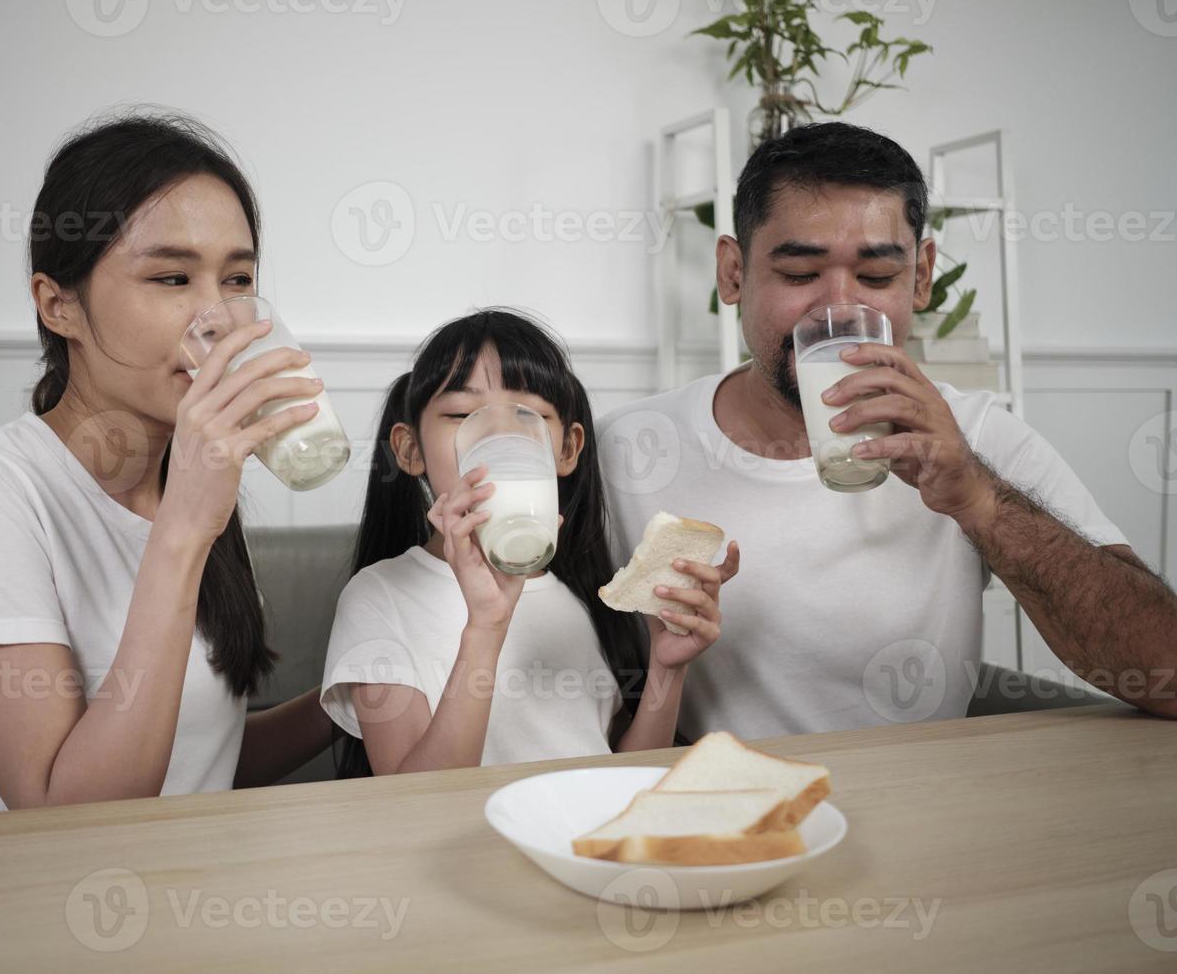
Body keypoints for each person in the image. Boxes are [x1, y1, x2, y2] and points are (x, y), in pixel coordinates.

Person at [599, 121, 1177, 742]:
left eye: (876, 278)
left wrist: (979, 500)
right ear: (733, 272)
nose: (838, 311)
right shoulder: (630, 449)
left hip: (921, 814)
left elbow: (1165, 671)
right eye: (799, 273)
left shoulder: (978, 436)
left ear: (922, 277)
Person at [0, 111, 333, 817]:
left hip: (177, 905)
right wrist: (186, 528)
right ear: (58, 304)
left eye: (238, 277)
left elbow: (193, 758)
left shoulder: (187, 485)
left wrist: (346, 701)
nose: (218, 318)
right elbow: (66, 814)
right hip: (15, 910)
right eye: (170, 278)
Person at [321, 310, 740, 775]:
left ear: (566, 450)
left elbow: (627, 777)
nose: (500, 436)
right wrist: (486, 627)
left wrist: (667, 668)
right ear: (410, 450)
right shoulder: (379, 597)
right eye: (462, 414)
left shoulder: (581, 591)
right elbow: (413, 804)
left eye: (532, 417)